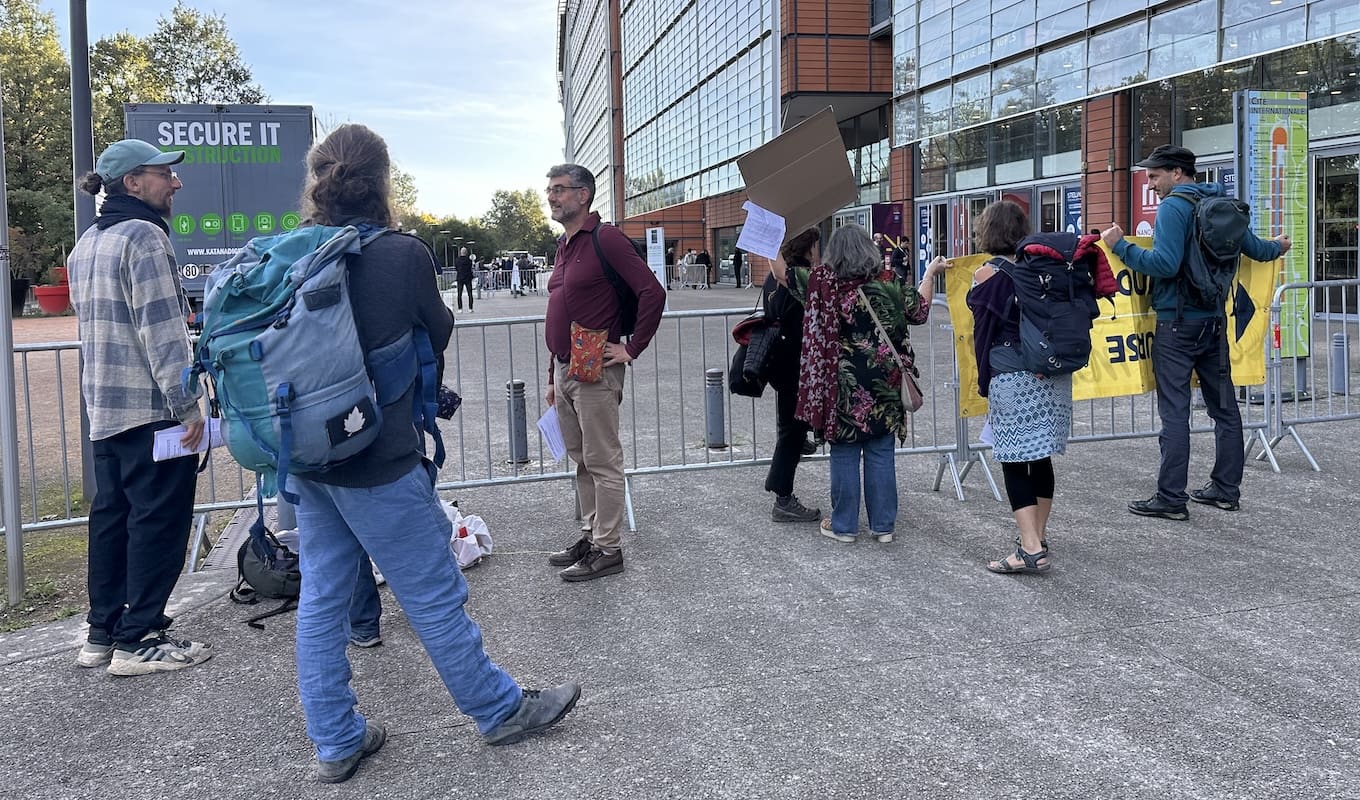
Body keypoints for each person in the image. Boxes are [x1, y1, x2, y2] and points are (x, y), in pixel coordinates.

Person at [288, 125, 579, 783]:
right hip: (378, 456)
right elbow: (437, 327)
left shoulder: (292, 251)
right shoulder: (401, 255)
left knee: (323, 599)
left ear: (318, 183)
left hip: (308, 462)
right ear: (383, 183)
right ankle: (499, 708)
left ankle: (336, 741)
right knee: (433, 594)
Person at [67, 139, 212, 677]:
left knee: (112, 518)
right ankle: (141, 637)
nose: (175, 183)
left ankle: (102, 633)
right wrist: (189, 408)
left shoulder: (87, 243)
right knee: (158, 520)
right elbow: (163, 332)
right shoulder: (146, 237)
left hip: (105, 408)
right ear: (133, 183)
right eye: (163, 175)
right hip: (152, 410)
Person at [1102, 144, 1291, 520]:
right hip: (1214, 323)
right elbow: (1255, 249)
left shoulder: (1173, 207)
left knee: (1175, 412)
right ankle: (1225, 490)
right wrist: (1279, 247)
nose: (1150, 182)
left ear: (1177, 173)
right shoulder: (1220, 204)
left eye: (1154, 175)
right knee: (1225, 409)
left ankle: (1171, 498)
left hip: (1177, 323)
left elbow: (1165, 264)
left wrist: (1119, 245)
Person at [773, 223, 949, 543]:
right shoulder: (889, 283)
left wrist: (767, 227)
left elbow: (781, 273)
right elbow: (921, 311)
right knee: (881, 453)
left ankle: (844, 526)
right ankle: (883, 527)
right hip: (886, 384)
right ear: (869, 250)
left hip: (842, 386)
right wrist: (930, 275)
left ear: (834, 254)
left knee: (844, 453)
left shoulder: (822, 284)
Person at [543, 163, 665, 581]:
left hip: (596, 371)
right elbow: (560, 310)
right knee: (580, 460)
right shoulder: (564, 245)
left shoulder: (605, 238)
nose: (552, 196)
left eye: (560, 190)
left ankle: (608, 549)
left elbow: (653, 291)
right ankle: (592, 534)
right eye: (550, 189)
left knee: (602, 461)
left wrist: (631, 348)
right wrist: (551, 376)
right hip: (566, 369)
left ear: (583, 195)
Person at [966, 201, 1066, 574]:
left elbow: (983, 334)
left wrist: (983, 379)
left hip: (1012, 374)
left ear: (988, 232)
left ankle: (1029, 548)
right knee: (1040, 456)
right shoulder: (1044, 268)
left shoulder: (987, 275)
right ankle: (1037, 536)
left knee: (1012, 460)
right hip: (1051, 373)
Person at [763, 229, 822, 524]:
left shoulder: (774, 277)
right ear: (808, 248)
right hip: (796, 363)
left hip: (781, 360)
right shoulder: (798, 278)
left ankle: (801, 443)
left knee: (791, 426)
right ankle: (783, 497)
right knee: (791, 431)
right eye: (816, 245)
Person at [454, 246, 475, 312]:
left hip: (460, 278)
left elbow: (456, 268)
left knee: (459, 294)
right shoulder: (469, 261)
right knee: (470, 294)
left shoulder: (457, 260)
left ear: (460, 252)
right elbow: (470, 269)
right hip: (468, 278)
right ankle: (470, 308)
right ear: (466, 253)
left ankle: (460, 308)